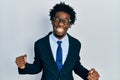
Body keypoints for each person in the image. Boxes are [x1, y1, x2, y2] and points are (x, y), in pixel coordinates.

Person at [15, 2, 100, 80]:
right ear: (52, 20)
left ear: (70, 24)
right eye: (57, 19)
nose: (60, 23)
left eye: (65, 21)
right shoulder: (40, 44)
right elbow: (37, 67)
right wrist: (23, 66)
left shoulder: (75, 44)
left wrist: (89, 75)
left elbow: (76, 66)